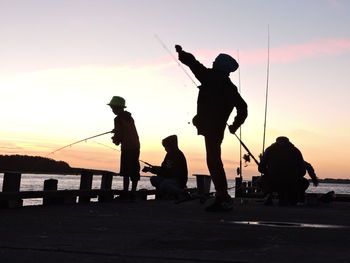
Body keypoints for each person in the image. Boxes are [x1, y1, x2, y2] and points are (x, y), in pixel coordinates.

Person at [175, 45, 248, 212]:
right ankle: (222, 197)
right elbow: (243, 108)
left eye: (216, 60)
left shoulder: (210, 77)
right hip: (217, 128)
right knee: (214, 161)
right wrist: (235, 125)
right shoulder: (230, 87)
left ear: (220, 65)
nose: (213, 62)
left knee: (214, 162)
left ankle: (223, 198)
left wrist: (182, 53)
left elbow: (194, 64)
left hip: (212, 129)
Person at [258, 136, 307, 205]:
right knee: (304, 182)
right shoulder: (295, 151)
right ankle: (293, 197)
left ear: (276, 141)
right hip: (291, 182)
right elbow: (302, 171)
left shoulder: (269, 150)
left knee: (260, 180)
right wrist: (295, 176)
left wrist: (268, 172)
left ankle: (268, 195)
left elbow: (261, 168)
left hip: (273, 181)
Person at [108, 96, 140, 199]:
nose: (112, 110)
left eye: (113, 108)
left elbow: (119, 137)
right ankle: (133, 193)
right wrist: (116, 131)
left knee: (126, 171)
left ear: (118, 108)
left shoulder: (117, 119)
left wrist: (114, 139)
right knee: (134, 169)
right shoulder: (129, 117)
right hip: (136, 146)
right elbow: (127, 130)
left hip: (127, 147)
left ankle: (125, 193)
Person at [143, 135, 189, 201]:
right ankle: (167, 193)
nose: (165, 149)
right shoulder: (168, 154)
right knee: (153, 179)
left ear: (171, 146)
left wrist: (156, 169)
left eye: (166, 147)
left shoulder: (178, 155)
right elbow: (164, 169)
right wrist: (150, 169)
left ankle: (181, 192)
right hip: (169, 179)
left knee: (164, 185)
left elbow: (168, 171)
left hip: (178, 180)